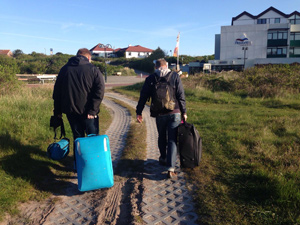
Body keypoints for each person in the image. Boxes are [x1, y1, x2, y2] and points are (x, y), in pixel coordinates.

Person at [52, 48, 105, 168]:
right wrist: (93, 110)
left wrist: (58, 112)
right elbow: (100, 91)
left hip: (71, 112)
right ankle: (93, 166)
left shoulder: (64, 69)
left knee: (78, 138)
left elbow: (57, 93)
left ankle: (78, 165)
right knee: (92, 139)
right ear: (88, 57)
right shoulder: (93, 69)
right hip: (89, 113)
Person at [136, 58, 187, 179]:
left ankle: (163, 158)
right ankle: (171, 168)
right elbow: (181, 95)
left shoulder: (151, 78)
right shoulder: (175, 76)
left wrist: (139, 112)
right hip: (174, 112)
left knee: (162, 136)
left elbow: (143, 96)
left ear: (156, 67)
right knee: (172, 139)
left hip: (159, 114)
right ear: (167, 65)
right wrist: (184, 111)